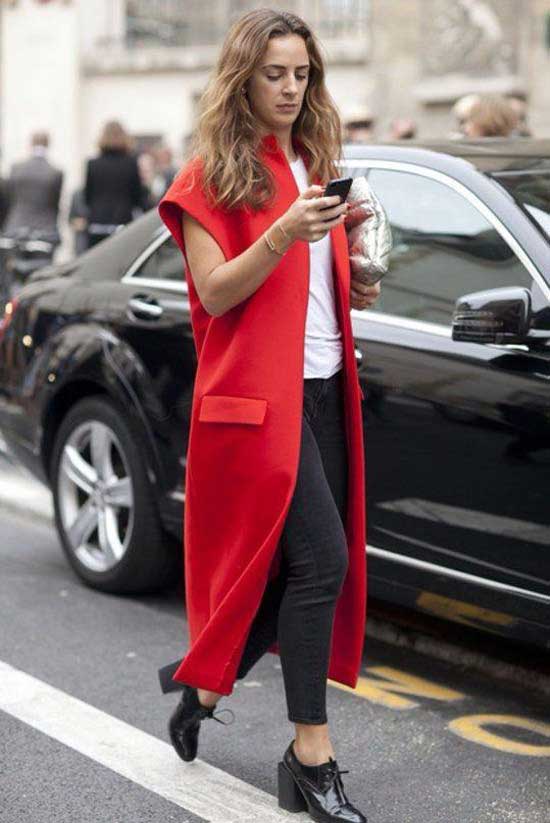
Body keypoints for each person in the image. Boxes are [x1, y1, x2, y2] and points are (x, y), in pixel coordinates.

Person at [158, 9, 381, 823]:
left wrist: (355, 275)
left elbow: (315, 294)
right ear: (241, 78)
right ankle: (310, 760)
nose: (290, 89)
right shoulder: (205, 179)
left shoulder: (315, 161)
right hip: (258, 406)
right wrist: (287, 231)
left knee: (289, 575)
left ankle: (201, 687)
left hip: (323, 389)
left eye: (302, 75)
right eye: (273, 74)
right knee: (322, 562)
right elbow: (216, 294)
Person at [83, 120, 148, 248]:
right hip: (122, 224)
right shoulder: (131, 164)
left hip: (97, 224)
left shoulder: (92, 164)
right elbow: (137, 197)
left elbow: (87, 197)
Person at [2, 130, 63, 250]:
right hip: (45, 229)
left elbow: (10, 198)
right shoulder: (55, 172)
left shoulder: (16, 168)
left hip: (16, 226)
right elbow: (55, 203)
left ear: (31, 144)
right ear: (48, 144)